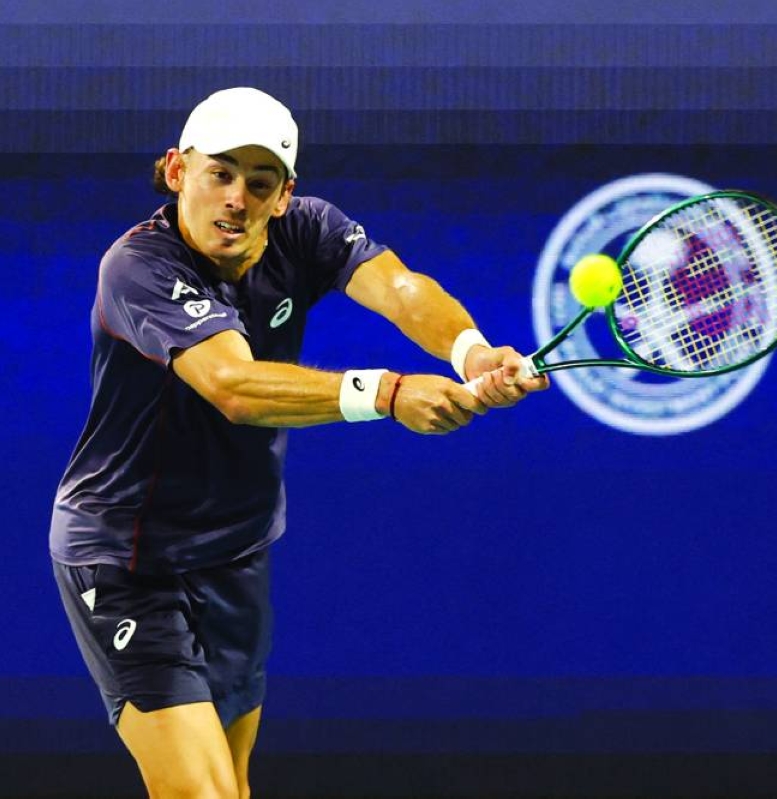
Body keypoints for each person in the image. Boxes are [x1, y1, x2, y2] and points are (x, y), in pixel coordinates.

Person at [49, 87, 547, 798]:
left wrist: (469, 353)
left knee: (234, 785)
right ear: (175, 171)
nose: (235, 199)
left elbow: (401, 288)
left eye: (259, 183)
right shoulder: (138, 268)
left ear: (284, 196)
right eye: (219, 173)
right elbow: (233, 385)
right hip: (127, 558)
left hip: (235, 551)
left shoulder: (306, 229)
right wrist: (389, 392)